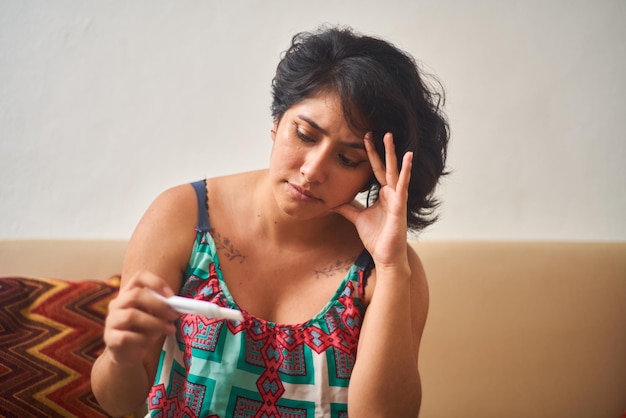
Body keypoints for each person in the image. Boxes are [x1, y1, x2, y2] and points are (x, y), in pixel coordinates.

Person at [92, 25, 449, 417]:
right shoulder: (183, 216)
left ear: (375, 176)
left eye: (348, 160)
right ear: (278, 119)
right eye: (305, 135)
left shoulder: (388, 270)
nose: (313, 171)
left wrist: (393, 267)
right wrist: (120, 355)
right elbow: (118, 403)